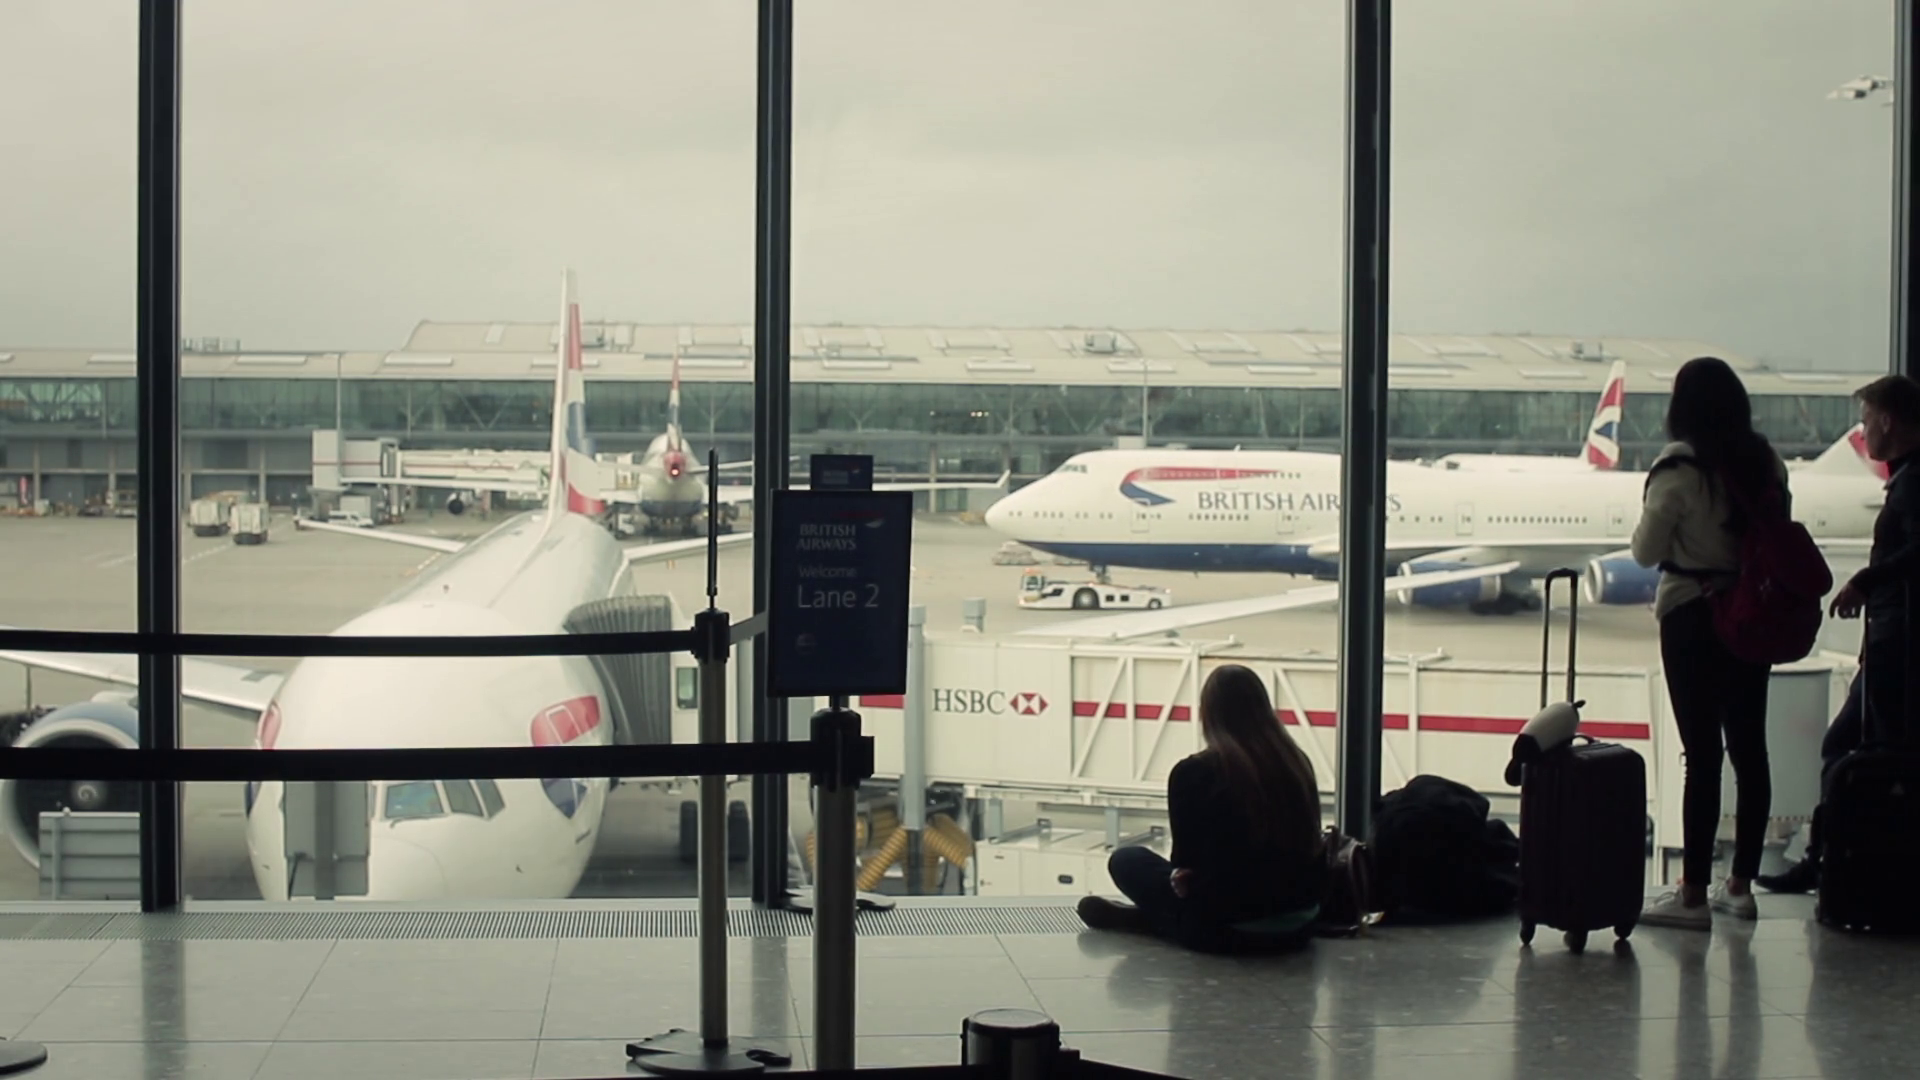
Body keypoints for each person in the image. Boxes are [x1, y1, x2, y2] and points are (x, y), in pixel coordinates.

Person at [1630, 356, 1790, 929]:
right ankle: (1741, 887)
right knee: (1751, 750)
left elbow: (1645, 552)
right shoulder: (1766, 462)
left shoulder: (1678, 469)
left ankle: (1693, 894)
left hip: (1692, 615)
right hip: (1752, 613)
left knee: (1702, 756)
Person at [1759, 373, 1920, 894]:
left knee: (1851, 749)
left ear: (1888, 421)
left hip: (1899, 647)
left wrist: (1865, 582)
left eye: (1867, 420)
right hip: (1892, 644)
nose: (1864, 431)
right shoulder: (1906, 478)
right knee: (1862, 749)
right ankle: (1838, 862)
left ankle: (1834, 864)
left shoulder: (1912, 483)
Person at [1075, 664, 1325, 953]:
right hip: (1300, 926)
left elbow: (1184, 864)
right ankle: (1156, 920)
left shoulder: (1194, 772)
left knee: (1126, 859)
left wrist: (1184, 877)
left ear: (1208, 714)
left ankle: (1154, 920)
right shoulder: (1297, 763)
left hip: (1225, 929)